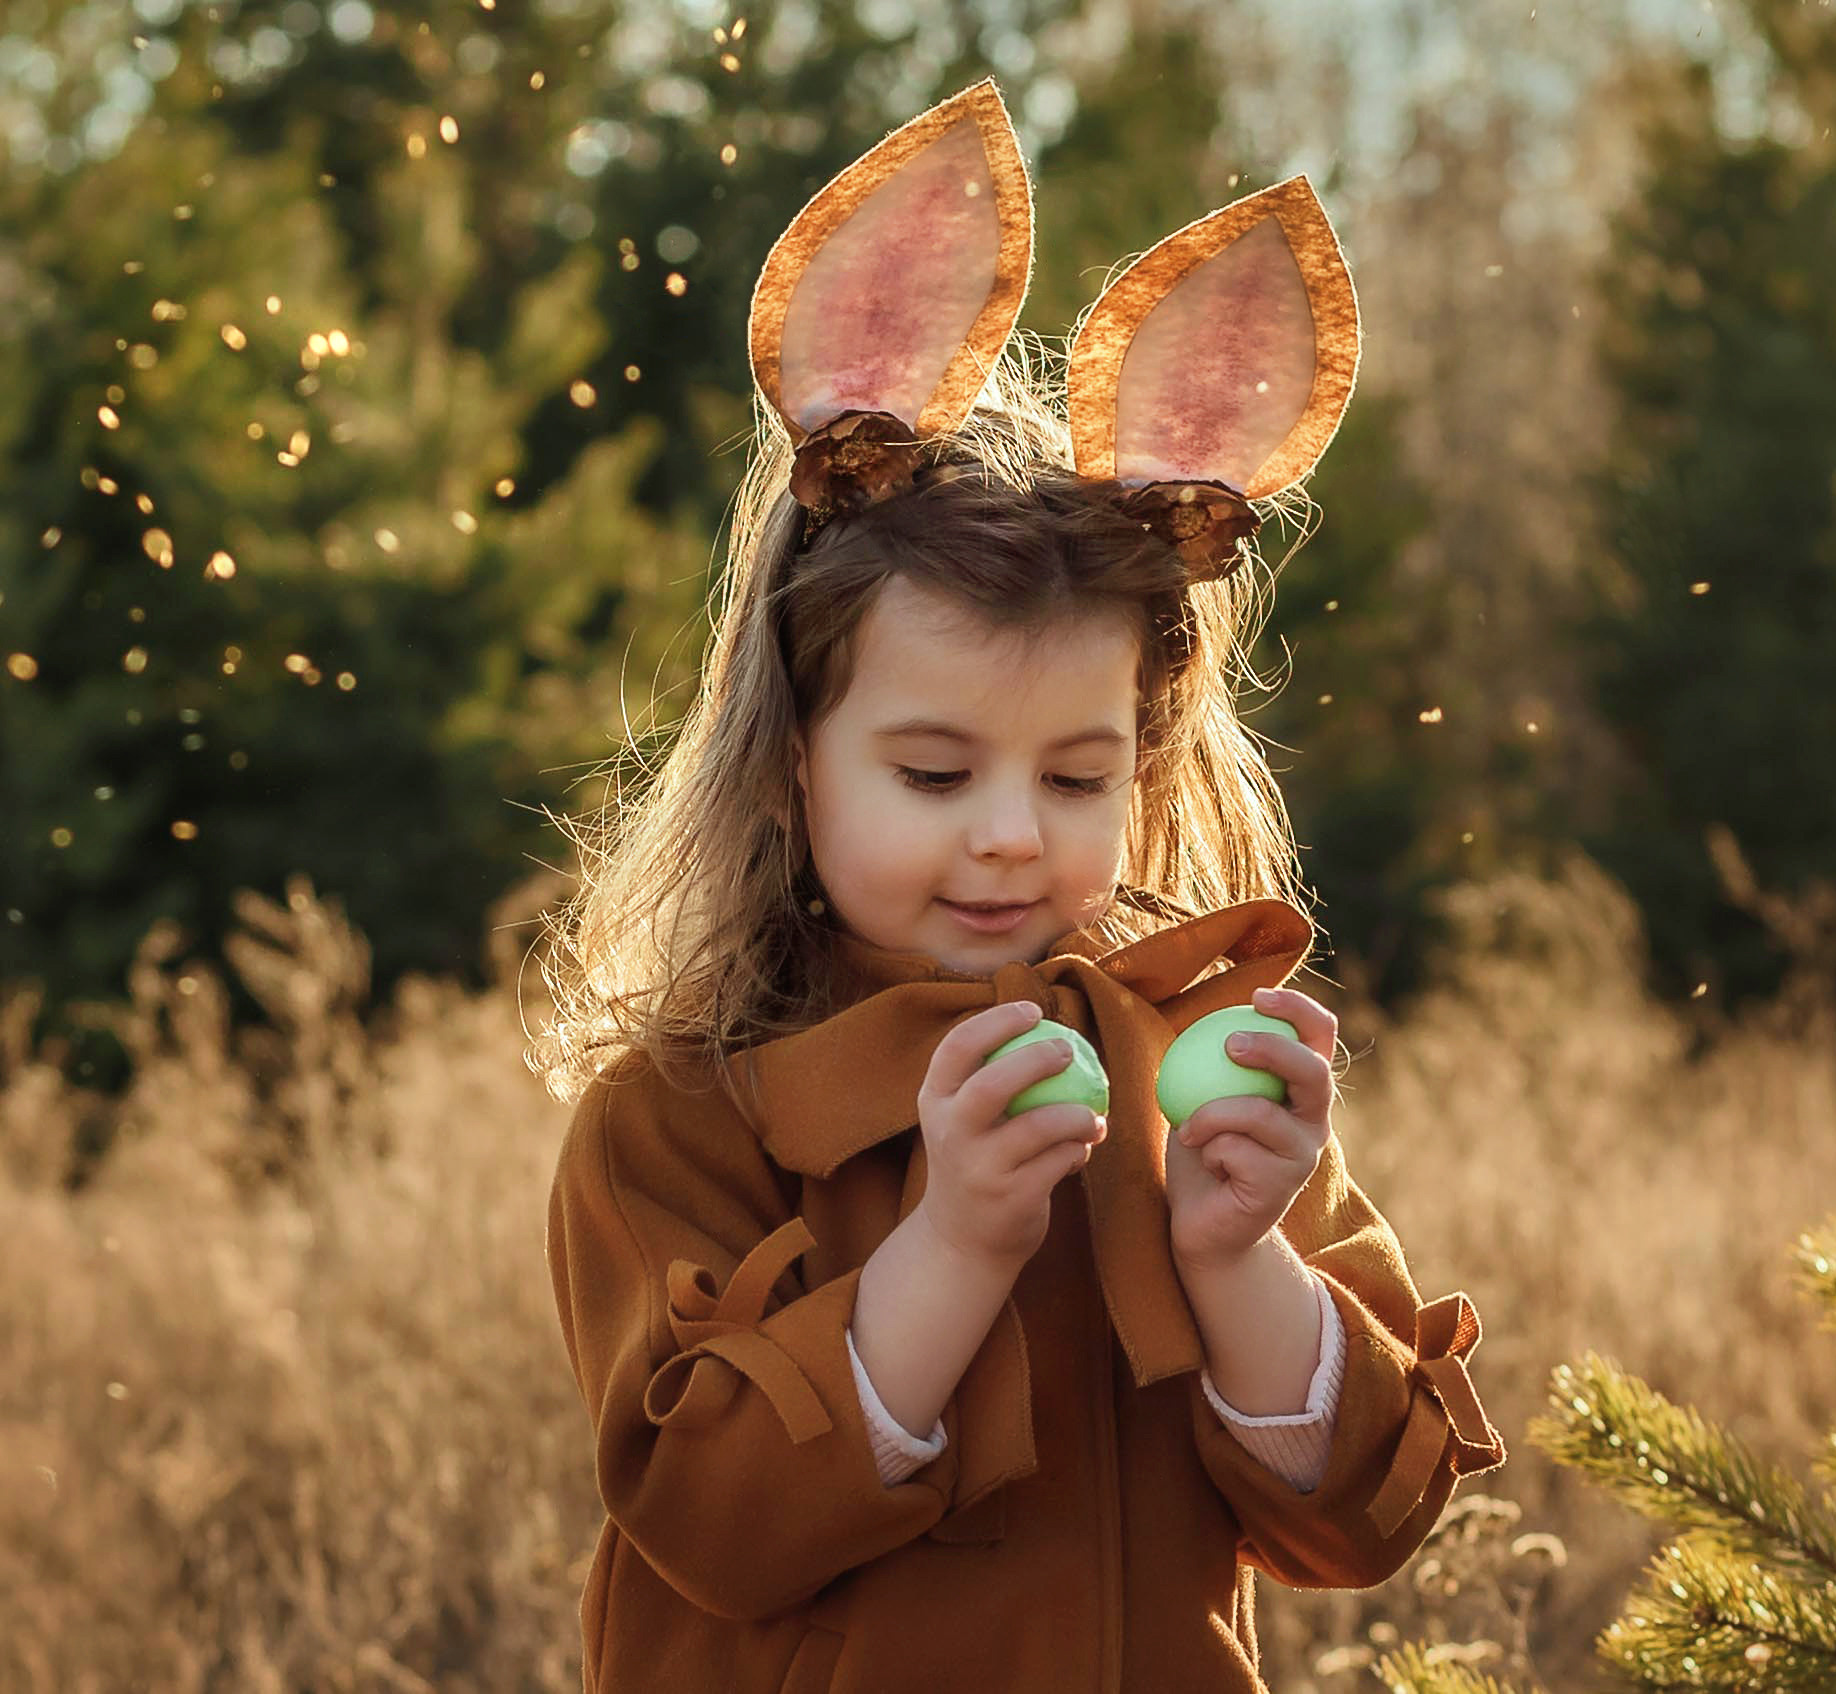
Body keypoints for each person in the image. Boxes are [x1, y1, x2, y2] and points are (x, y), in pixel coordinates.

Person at [532, 80, 1506, 1693]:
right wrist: (955, 1245)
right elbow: (703, 1515)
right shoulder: (679, 1116)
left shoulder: (1183, 1074)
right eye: (931, 775)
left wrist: (1234, 1256)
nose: (1007, 834)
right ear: (794, 763)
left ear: (1148, 760)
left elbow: (1365, 1518)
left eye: (1074, 778)